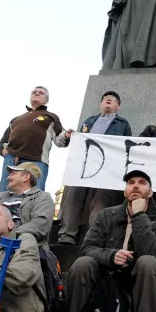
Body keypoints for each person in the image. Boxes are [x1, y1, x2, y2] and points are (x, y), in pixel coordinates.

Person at [65, 170, 156, 312]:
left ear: (150, 193)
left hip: (140, 278)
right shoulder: (106, 215)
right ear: (124, 191)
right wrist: (111, 255)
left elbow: (153, 253)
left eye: (142, 183)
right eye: (131, 183)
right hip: (106, 275)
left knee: (148, 262)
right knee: (82, 263)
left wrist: (140, 215)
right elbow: (87, 248)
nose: (135, 186)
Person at [58, 90, 133, 245]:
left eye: (112, 99)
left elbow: (127, 146)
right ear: (101, 104)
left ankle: (94, 235)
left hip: (106, 167)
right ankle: (67, 234)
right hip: (83, 165)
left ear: (117, 106)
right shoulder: (88, 121)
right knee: (73, 197)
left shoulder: (123, 124)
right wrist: (71, 135)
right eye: (105, 98)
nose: (108, 100)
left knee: (100, 200)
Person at [0, 86, 70, 192]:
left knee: (34, 195)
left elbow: (60, 139)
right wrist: (6, 152)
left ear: (47, 100)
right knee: (4, 193)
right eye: (34, 92)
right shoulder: (16, 119)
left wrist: (66, 135)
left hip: (37, 160)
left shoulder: (51, 117)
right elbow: (4, 141)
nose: (37, 94)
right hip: (12, 159)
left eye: (41, 93)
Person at [0, 162, 54, 247]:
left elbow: (39, 225)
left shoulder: (42, 197)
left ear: (26, 177)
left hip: (22, 246)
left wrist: (5, 238)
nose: (8, 177)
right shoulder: (0, 198)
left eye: (13, 174)